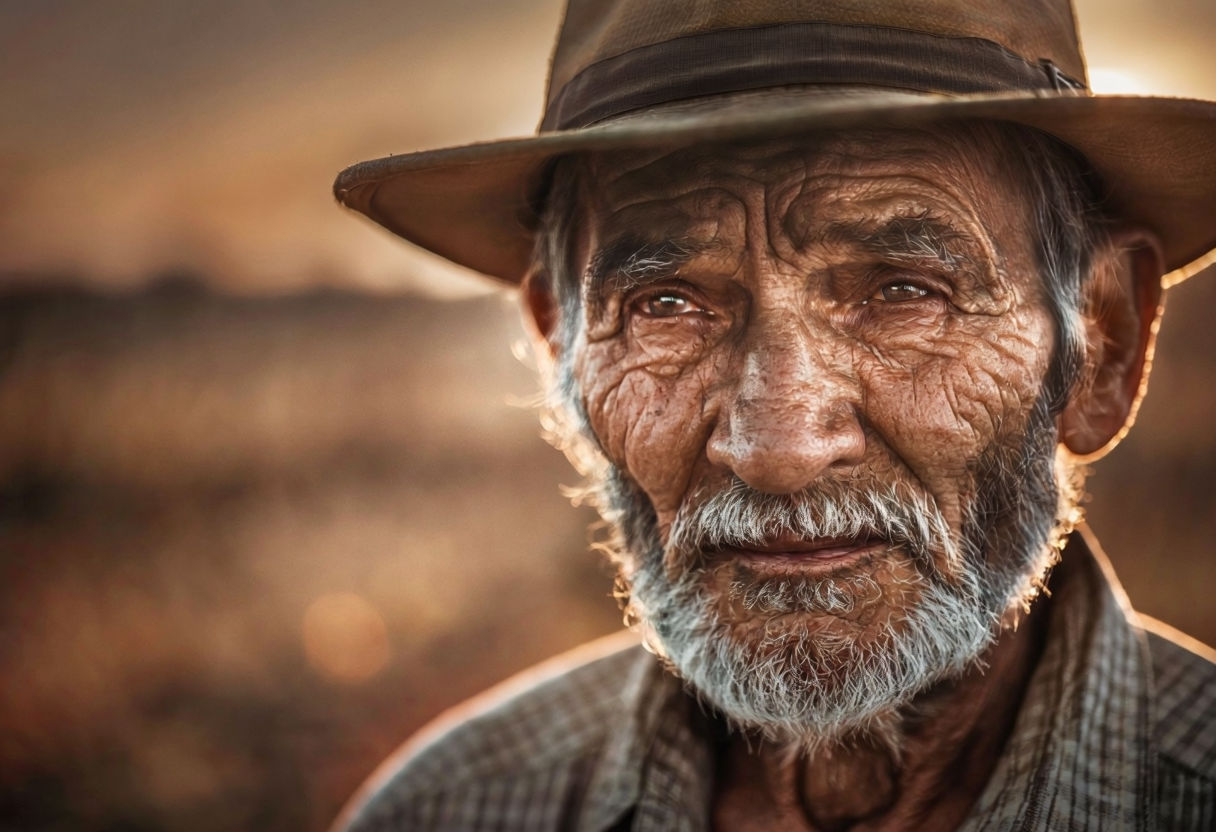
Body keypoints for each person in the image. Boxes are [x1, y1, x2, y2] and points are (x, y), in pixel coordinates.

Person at [330, 1, 1216, 829]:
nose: (777, 449)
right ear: (561, 345)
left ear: (1102, 346)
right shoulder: (453, 810)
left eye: (905, 293)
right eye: (666, 305)